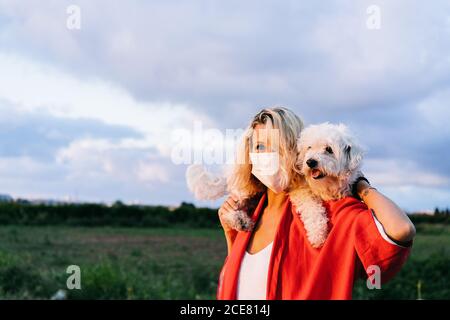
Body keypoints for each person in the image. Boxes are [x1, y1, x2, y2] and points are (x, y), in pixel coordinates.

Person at [216, 107, 415, 300]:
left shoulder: (329, 215)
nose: (265, 155)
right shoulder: (249, 212)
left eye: (276, 146)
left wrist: (361, 185)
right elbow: (239, 282)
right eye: (259, 147)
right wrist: (230, 235)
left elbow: (402, 229)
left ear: (296, 151)